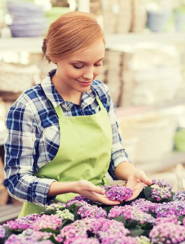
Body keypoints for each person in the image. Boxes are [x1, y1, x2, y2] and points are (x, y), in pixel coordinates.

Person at [4, 11, 152, 217]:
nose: (90, 75)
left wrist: (131, 173)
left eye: (98, 63)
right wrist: (71, 187)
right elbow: (16, 181)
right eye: (78, 65)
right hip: (47, 220)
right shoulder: (29, 106)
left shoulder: (100, 93)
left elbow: (115, 154)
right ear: (55, 57)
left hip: (99, 211)